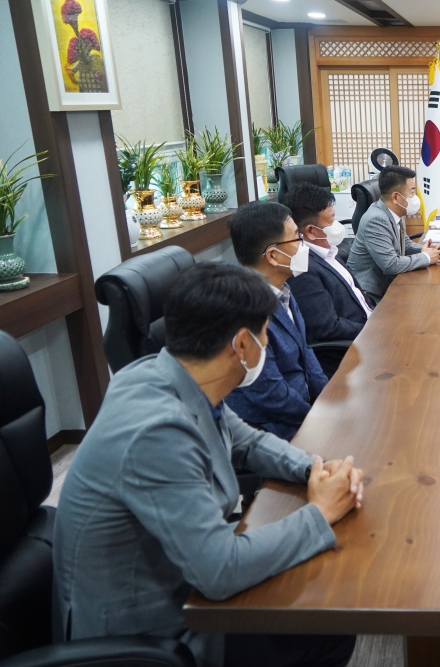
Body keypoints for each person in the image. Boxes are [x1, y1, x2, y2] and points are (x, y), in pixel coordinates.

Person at [53, 261, 365, 667]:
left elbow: (246, 440)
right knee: (326, 624)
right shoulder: (156, 432)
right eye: (266, 333)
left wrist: (314, 468)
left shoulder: (169, 373)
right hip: (152, 632)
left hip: (182, 577)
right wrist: (322, 512)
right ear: (241, 345)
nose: (267, 343)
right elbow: (220, 571)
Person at [226, 201, 329, 440]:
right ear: (273, 255)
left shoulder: (281, 288)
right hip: (272, 429)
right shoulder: (244, 310)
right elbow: (270, 396)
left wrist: (328, 402)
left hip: (302, 412)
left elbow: (305, 351)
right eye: (297, 238)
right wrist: (319, 419)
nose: (304, 245)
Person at [283, 183, 374, 374]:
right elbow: (328, 328)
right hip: (353, 353)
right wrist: (374, 331)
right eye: (331, 221)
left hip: (370, 327)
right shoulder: (305, 269)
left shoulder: (329, 252)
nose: (337, 226)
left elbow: (356, 296)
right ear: (310, 231)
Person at [347, 164, 440, 303]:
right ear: (395, 197)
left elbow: (404, 243)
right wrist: (426, 257)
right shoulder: (376, 219)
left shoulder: (396, 211)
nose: (415, 197)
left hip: (391, 282)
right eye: (412, 191)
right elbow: (391, 265)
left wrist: (430, 250)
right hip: (370, 293)